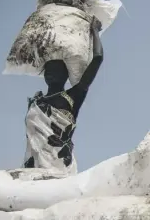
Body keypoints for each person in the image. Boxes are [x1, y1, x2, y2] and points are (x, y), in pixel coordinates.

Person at [23, 16, 104, 175]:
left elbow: (98, 58)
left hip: (60, 166)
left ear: (66, 74)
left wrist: (94, 31)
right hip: (33, 168)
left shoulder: (74, 95)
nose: (51, 73)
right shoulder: (36, 102)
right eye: (48, 69)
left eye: (57, 69)